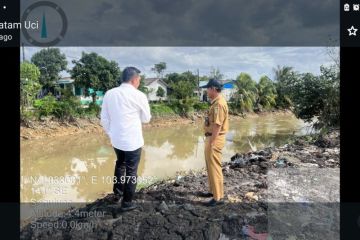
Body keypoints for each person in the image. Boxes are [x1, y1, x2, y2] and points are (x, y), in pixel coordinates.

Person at [100, 66, 151, 211]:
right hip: (133, 141)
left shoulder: (109, 94)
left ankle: (117, 194)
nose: (139, 82)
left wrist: (111, 133)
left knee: (120, 164)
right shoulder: (139, 95)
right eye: (139, 80)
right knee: (131, 170)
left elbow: (104, 118)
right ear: (134, 80)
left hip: (116, 140)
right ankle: (127, 203)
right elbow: (146, 119)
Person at [200, 79, 229, 207]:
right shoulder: (215, 102)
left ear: (213, 88)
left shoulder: (219, 104)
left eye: (207, 88)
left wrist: (212, 142)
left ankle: (218, 198)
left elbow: (217, 125)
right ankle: (213, 191)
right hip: (211, 137)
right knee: (210, 167)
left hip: (214, 138)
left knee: (215, 168)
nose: (206, 91)